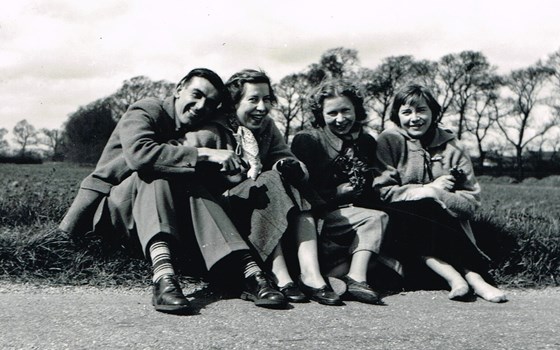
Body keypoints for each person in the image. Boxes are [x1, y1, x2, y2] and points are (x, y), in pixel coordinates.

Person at [59, 68, 287, 314]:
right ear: (179, 89)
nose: (200, 106)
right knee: (157, 172)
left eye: (209, 103)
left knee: (183, 176)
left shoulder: (197, 129)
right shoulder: (146, 110)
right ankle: (164, 276)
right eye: (196, 94)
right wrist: (203, 153)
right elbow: (140, 156)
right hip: (112, 211)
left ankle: (248, 272)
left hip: (157, 219)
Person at [183, 69, 342, 306]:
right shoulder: (211, 130)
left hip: (258, 199)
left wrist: (288, 165)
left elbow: (281, 154)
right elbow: (186, 162)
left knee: (290, 178)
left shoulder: (266, 126)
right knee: (269, 181)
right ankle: (281, 276)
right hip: (222, 214)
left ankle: (311, 275)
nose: (262, 107)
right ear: (234, 102)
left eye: (267, 99)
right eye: (253, 99)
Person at [373, 83, 507, 303]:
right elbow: (382, 193)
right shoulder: (388, 142)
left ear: (434, 112)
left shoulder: (453, 147)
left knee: (429, 207)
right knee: (421, 209)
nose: (414, 118)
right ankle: (467, 277)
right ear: (397, 116)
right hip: (401, 226)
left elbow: (471, 204)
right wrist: (428, 189)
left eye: (421, 110)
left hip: (446, 226)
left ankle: (465, 279)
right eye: (406, 112)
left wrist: (438, 195)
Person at [291, 78, 401, 305]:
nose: (340, 119)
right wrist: (336, 193)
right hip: (319, 221)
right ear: (320, 114)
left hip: (354, 217)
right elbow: (301, 192)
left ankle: (334, 277)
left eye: (346, 111)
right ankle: (356, 278)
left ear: (356, 110)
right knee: (376, 220)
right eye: (332, 113)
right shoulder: (308, 140)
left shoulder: (367, 142)